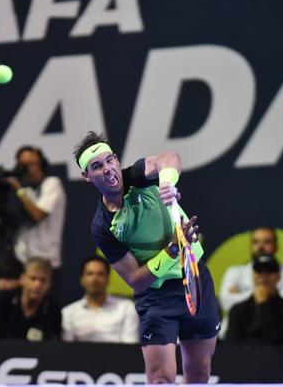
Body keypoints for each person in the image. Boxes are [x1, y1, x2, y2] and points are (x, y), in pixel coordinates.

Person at [74, 131, 219, 384]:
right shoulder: (103, 226)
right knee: (161, 379)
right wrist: (172, 250)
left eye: (110, 160)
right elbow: (136, 280)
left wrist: (167, 182)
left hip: (194, 278)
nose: (108, 169)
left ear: (117, 160)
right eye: (97, 166)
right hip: (156, 298)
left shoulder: (138, 176)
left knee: (199, 374)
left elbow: (168, 158)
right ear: (87, 176)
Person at [219, 226, 283, 335]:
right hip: (236, 335)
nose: (261, 246)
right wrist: (267, 294)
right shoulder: (234, 271)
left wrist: (244, 294)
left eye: (267, 242)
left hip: (278, 336)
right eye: (256, 242)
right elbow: (226, 303)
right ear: (250, 246)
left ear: (276, 247)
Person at [5, 146, 66, 288]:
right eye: (23, 165)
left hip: (45, 264)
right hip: (22, 263)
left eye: (31, 164)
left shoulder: (52, 184)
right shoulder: (25, 191)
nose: (27, 169)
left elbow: (37, 214)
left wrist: (18, 189)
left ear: (42, 164)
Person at [225, 255, 283, 345]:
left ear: (278, 276)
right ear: (253, 276)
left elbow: (277, 341)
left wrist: (263, 305)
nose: (263, 276)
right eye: (259, 271)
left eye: (269, 271)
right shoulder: (238, 310)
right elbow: (231, 345)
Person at [62, 256, 139, 343]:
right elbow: (67, 349)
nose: (95, 279)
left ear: (108, 279)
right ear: (81, 279)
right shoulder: (68, 313)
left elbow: (130, 348)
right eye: (90, 274)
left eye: (100, 274)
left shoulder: (127, 308)